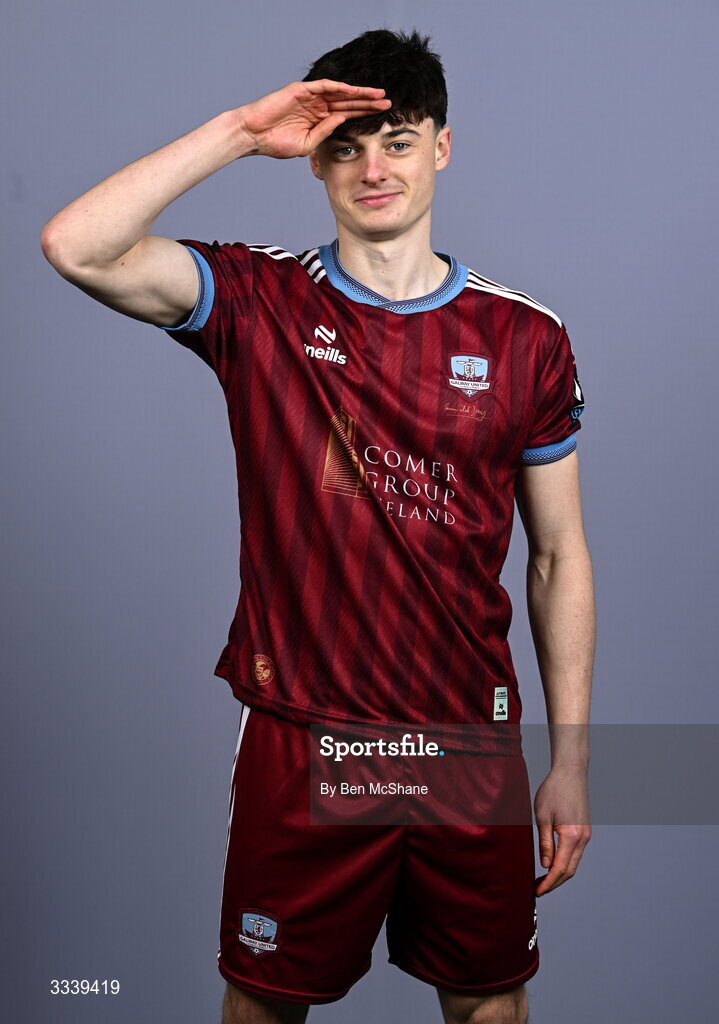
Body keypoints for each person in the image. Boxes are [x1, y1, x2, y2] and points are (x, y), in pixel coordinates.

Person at [40, 27, 595, 1024]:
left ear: (441, 146)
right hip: (309, 738)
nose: (370, 167)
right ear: (316, 163)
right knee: (262, 1006)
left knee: (487, 1004)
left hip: (466, 745)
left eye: (394, 137)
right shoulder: (260, 303)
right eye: (344, 145)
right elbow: (74, 245)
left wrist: (573, 761)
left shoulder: (526, 339)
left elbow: (556, 560)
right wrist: (240, 132)